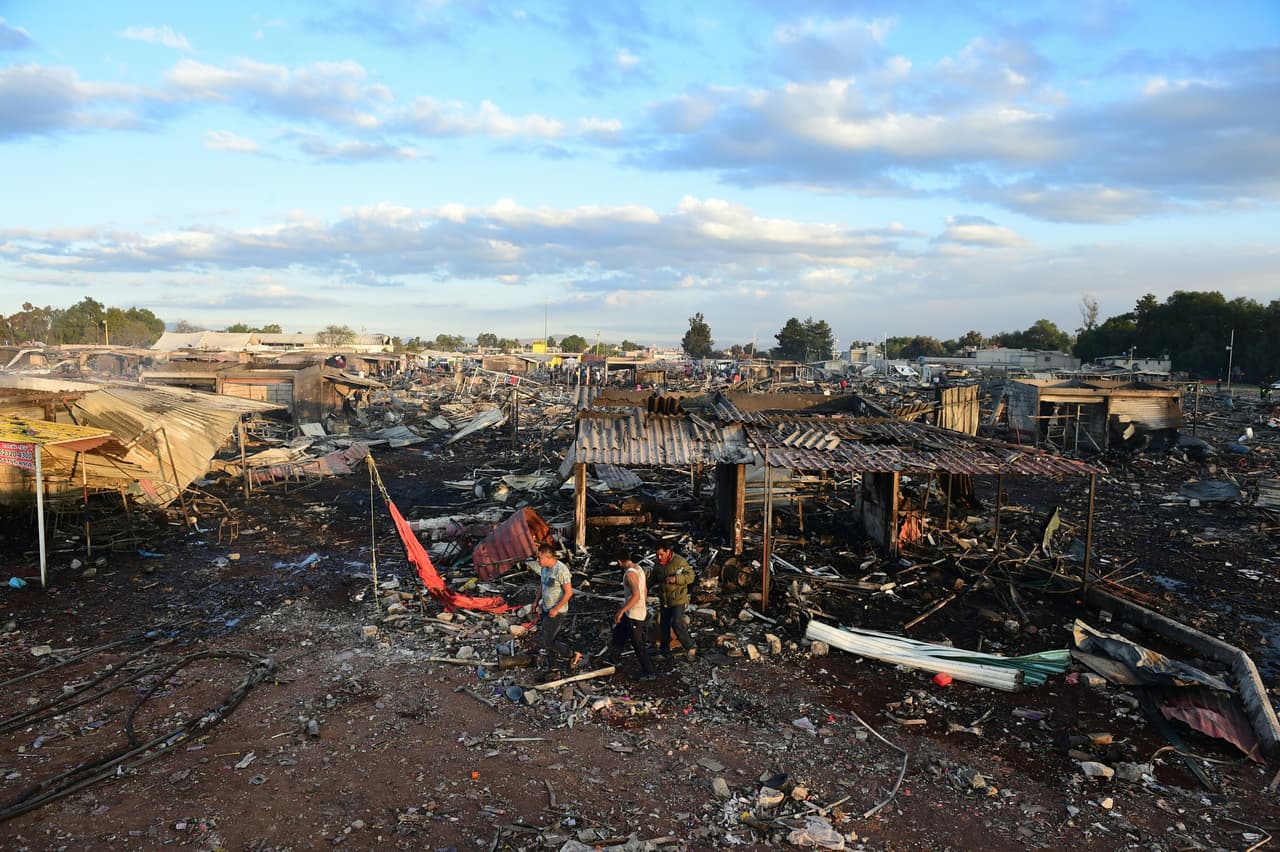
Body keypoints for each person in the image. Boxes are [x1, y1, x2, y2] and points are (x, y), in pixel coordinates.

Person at [606, 554, 656, 681]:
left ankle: (649, 672)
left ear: (619, 561)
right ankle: (613, 659)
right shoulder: (638, 568)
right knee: (619, 633)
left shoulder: (629, 574)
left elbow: (636, 595)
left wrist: (621, 611)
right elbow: (644, 591)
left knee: (637, 643)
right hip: (633, 612)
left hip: (634, 614)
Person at [536, 543, 580, 680]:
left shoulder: (560, 570)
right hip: (546, 609)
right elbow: (542, 585)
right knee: (547, 638)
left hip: (557, 612)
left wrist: (555, 609)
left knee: (547, 640)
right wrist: (535, 601)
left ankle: (572, 654)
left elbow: (568, 593)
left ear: (548, 557)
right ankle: (553, 669)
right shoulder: (544, 569)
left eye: (539, 558)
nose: (537, 560)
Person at [650, 544, 697, 660]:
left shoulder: (679, 561)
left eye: (661, 554)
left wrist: (677, 579)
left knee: (676, 623)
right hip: (665, 600)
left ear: (668, 552)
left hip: (678, 599)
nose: (659, 557)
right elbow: (652, 579)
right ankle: (665, 651)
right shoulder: (657, 565)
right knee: (664, 625)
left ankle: (691, 646)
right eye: (657, 555)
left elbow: (691, 576)